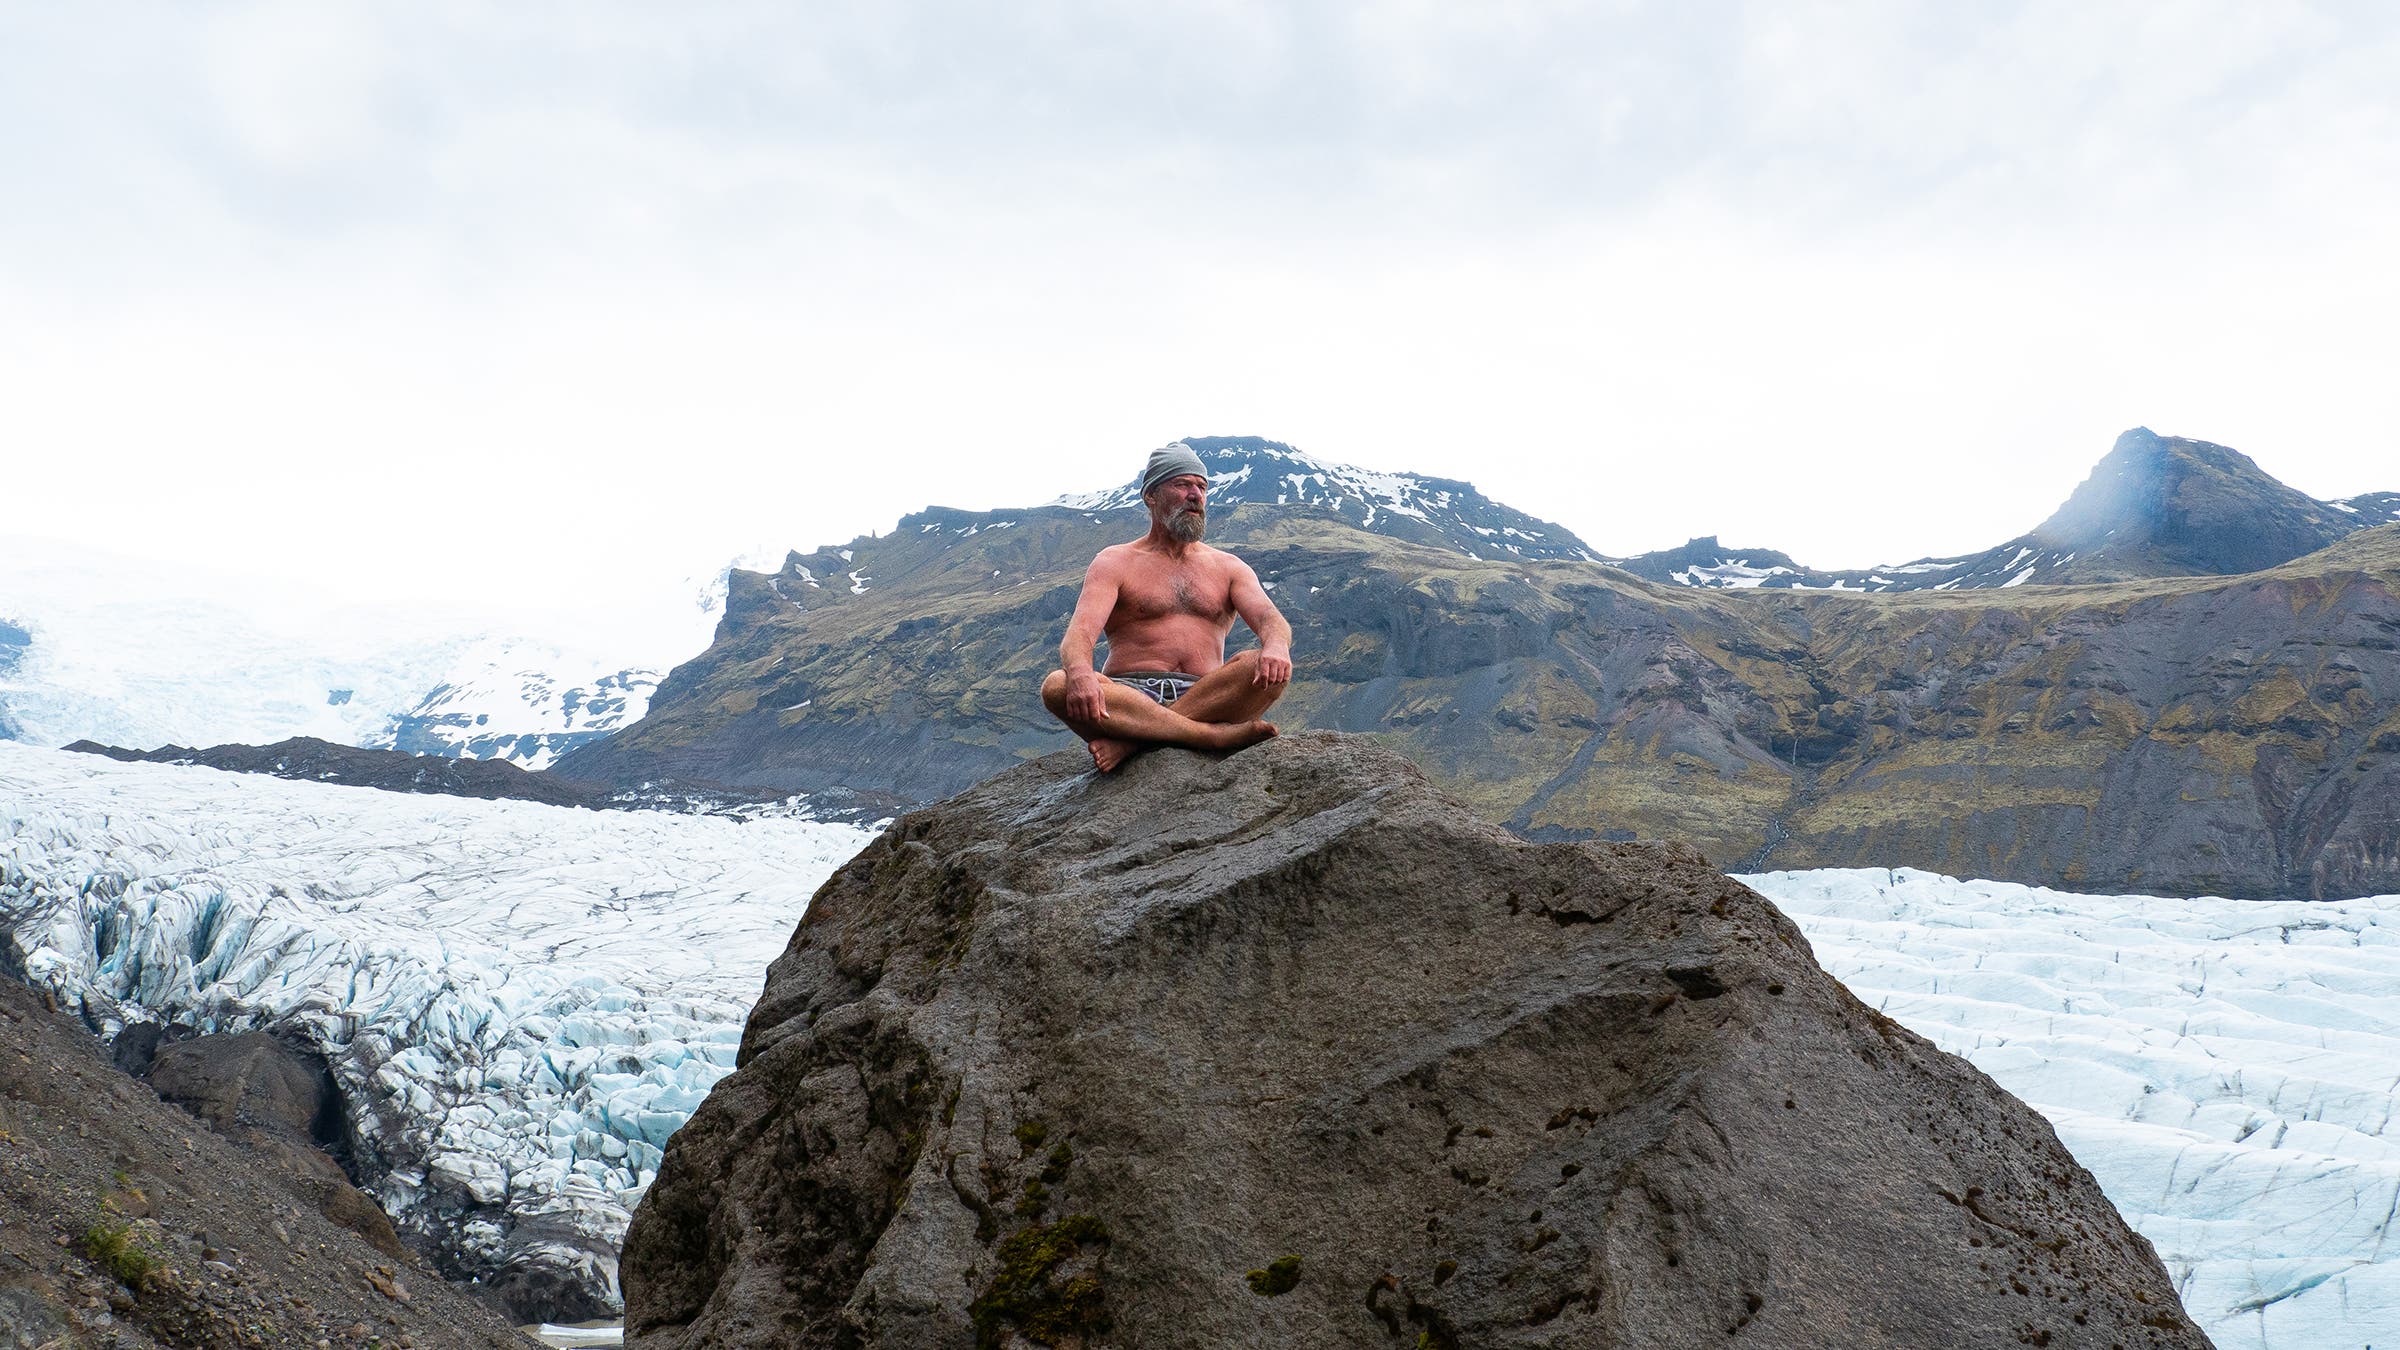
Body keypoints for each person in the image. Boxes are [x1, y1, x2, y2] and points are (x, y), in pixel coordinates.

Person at [1041, 442, 1293, 772]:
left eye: (1201, 487)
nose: (1195, 495)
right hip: (1127, 697)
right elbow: (1079, 636)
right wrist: (1080, 674)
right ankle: (1210, 737)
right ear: (1151, 496)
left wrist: (1276, 645)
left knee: (1264, 667)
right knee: (1057, 686)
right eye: (1182, 484)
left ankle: (1137, 741)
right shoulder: (1115, 561)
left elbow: (1269, 619)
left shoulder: (1229, 567)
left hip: (1207, 695)